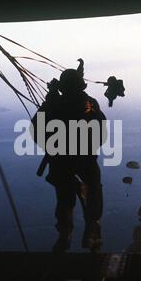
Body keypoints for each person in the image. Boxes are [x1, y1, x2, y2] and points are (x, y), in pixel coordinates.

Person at [32, 61, 106, 253]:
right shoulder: (90, 104)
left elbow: (36, 129)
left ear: (63, 87)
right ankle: (92, 232)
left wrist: (53, 147)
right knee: (93, 193)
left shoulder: (54, 104)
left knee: (64, 200)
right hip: (85, 160)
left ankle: (66, 235)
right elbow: (101, 132)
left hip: (61, 162)